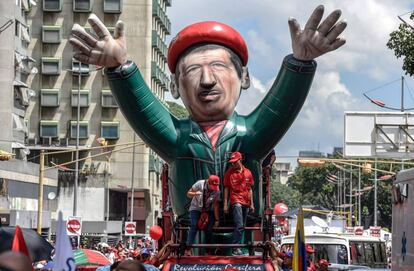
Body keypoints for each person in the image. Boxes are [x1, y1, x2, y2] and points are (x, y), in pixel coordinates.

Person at [69, 6, 347, 217]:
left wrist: (300, 64)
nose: (207, 80)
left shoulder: (249, 135)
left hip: (246, 245)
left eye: (218, 67)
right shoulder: (177, 138)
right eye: (193, 71)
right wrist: (120, 68)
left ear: (244, 78)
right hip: (189, 245)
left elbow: (280, 108)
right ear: (175, 87)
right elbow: (144, 112)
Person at [223, 152, 254, 255]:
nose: (233, 164)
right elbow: (226, 189)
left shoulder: (248, 172)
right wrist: (225, 205)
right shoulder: (229, 173)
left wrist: (252, 204)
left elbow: (250, 189)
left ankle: (238, 247)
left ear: (240, 160)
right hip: (236, 201)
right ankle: (235, 248)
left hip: (246, 202)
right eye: (232, 163)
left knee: (242, 226)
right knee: (239, 225)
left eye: (235, 162)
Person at [185, 175, 221, 255]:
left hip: (208, 210)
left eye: (215, 186)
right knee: (194, 225)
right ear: (208, 182)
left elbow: (215, 205)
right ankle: (188, 248)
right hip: (196, 208)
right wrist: (195, 193)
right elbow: (188, 194)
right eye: (212, 186)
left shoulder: (217, 191)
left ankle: (208, 251)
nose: (213, 188)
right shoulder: (199, 184)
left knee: (209, 228)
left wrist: (217, 219)